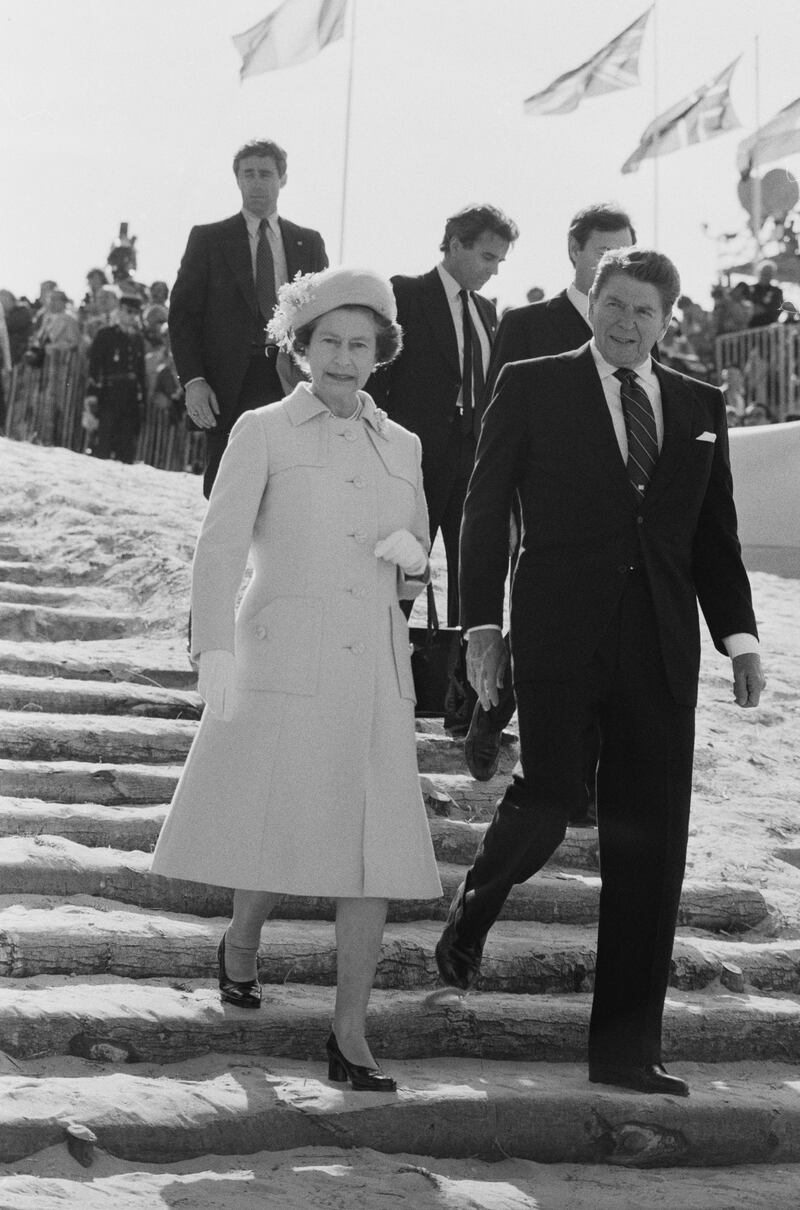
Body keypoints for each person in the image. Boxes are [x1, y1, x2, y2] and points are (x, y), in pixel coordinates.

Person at [435, 247, 765, 1098]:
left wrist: (740, 639)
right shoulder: (534, 382)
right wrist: (481, 623)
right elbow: (482, 504)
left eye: (643, 312)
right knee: (547, 796)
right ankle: (479, 896)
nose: (625, 323)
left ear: (668, 320)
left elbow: (713, 535)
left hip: (659, 645)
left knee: (650, 843)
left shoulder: (699, 403)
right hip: (557, 633)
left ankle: (625, 1050)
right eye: (613, 305)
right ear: (595, 304)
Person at [152, 267, 442, 1092]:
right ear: (300, 347)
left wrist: (415, 563)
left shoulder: (406, 445)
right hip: (283, 657)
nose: (346, 359)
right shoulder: (264, 429)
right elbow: (220, 546)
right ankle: (242, 939)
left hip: (376, 671)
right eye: (329, 343)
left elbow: (412, 564)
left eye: (361, 344)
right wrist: (213, 650)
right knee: (277, 823)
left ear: (380, 352)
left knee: (373, 853)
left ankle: (349, 1036)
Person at [466, 202, 637, 788]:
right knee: (540, 618)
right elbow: (499, 424)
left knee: (597, 630)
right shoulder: (527, 324)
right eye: (602, 251)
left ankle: (581, 779)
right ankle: (492, 716)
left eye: (624, 252)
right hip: (534, 503)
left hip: (612, 511)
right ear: (574, 250)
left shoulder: (637, 322)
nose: (613, 263)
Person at [372, 204, 519, 633]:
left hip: (472, 461)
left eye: (500, 261)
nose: (494, 270)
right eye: (487, 257)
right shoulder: (406, 293)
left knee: (470, 574)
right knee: (400, 571)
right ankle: (380, 660)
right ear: (456, 245)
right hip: (414, 460)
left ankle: (461, 679)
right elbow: (380, 378)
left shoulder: (488, 312)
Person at [169, 138, 329, 497]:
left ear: (282, 179)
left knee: (287, 489)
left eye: (266, 174)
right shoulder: (209, 239)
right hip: (228, 386)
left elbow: (324, 317)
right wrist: (193, 381)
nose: (257, 182)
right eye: (248, 174)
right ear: (237, 179)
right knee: (226, 492)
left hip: (289, 380)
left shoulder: (309, 242)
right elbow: (182, 317)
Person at [84, 292, 147, 463]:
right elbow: (94, 367)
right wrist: (92, 394)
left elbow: (140, 372)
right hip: (109, 394)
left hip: (130, 397)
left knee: (127, 446)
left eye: (135, 313)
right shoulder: (105, 334)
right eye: (128, 311)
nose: (131, 316)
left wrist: (143, 400)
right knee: (104, 443)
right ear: (119, 310)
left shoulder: (137, 339)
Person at [748, 261, 783, 329]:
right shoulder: (750, 289)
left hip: (768, 329)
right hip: (750, 328)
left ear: (772, 275)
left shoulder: (776, 291)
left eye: (768, 274)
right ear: (759, 273)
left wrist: (764, 309)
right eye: (763, 273)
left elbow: (778, 308)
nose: (765, 276)